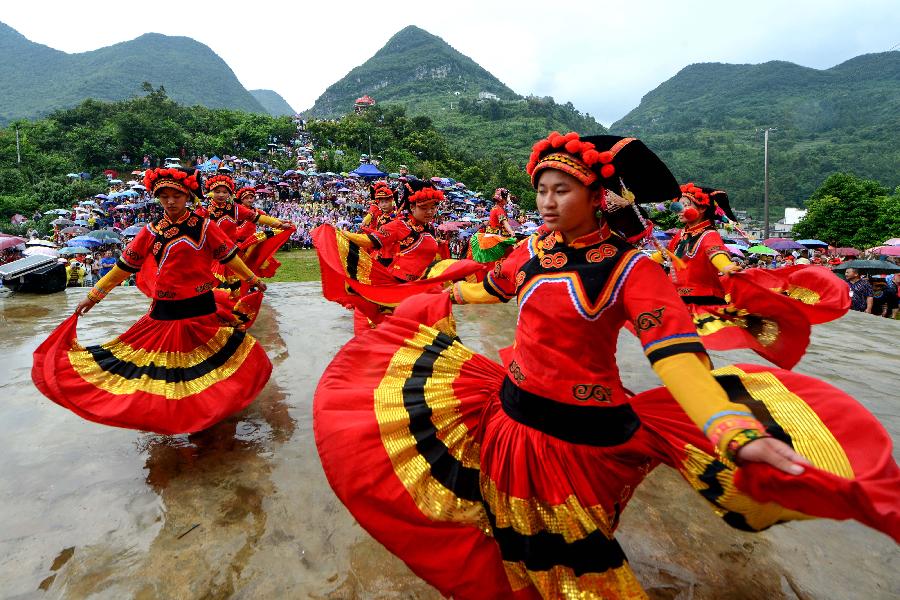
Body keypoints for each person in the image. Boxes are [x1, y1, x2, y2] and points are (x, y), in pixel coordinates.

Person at [312, 132, 899, 599]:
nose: (545, 202)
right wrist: (423, 296)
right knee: (511, 543)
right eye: (540, 189)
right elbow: (488, 288)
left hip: (577, 442)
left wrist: (732, 430)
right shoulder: (534, 252)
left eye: (560, 190)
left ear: (599, 196)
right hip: (510, 418)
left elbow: (678, 359)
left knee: (575, 561)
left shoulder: (633, 271)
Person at [32, 167, 272, 434]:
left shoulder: (206, 228)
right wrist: (94, 295)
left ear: (189, 197)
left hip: (202, 307)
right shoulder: (150, 231)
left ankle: (209, 414)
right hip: (166, 311)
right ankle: (177, 417)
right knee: (167, 372)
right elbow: (123, 268)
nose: (170, 201)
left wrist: (252, 278)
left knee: (217, 363)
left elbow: (229, 257)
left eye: (176, 196)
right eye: (164, 196)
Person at [658, 184, 848, 369]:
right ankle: (695, 378)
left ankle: (696, 379)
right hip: (677, 298)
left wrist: (727, 267)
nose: (679, 210)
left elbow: (717, 256)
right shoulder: (681, 235)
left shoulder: (709, 235)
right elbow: (662, 255)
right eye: (678, 206)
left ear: (702, 208)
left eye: (685, 205)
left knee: (685, 342)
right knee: (678, 342)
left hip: (701, 300)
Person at [469, 188, 519, 263]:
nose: (508, 200)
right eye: (506, 198)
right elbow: (504, 222)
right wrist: (511, 232)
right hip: (496, 236)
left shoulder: (494, 208)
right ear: (502, 199)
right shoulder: (499, 209)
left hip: (492, 234)